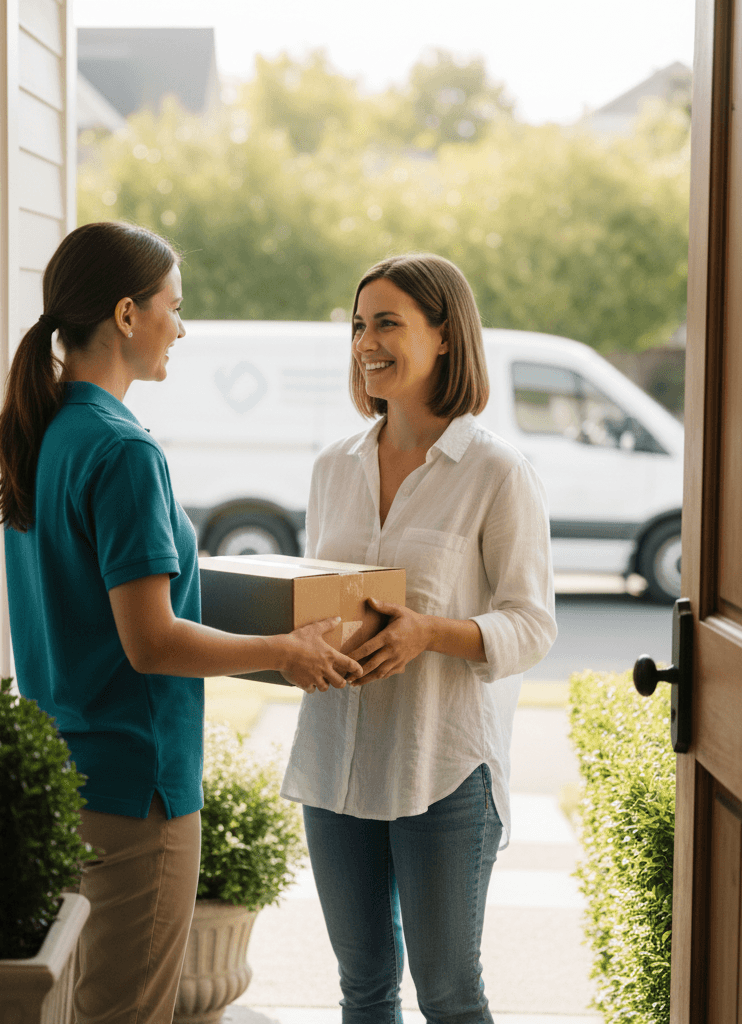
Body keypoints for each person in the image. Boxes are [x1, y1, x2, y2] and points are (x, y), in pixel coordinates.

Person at [0, 221, 361, 1024]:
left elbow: (98, 605)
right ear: (127, 316)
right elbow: (151, 640)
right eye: (174, 307)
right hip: (135, 791)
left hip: (63, 772)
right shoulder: (125, 451)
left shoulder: (49, 431)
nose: (182, 328)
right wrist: (284, 651)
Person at [281, 253, 557, 1024]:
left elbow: (532, 624)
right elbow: (327, 595)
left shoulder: (499, 472)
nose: (367, 341)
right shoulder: (333, 467)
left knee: (448, 996)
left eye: (389, 323)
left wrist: (429, 632)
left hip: (442, 767)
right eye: (360, 325)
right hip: (335, 759)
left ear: (444, 337)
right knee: (362, 987)